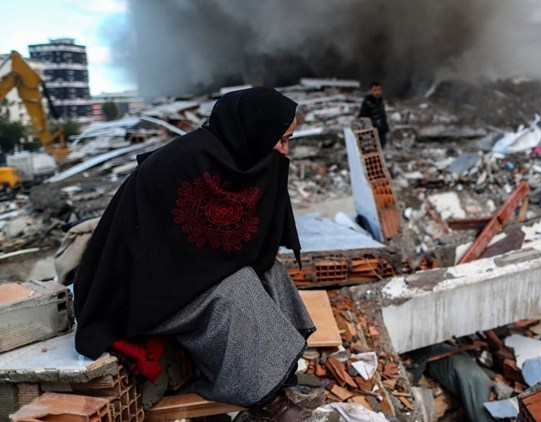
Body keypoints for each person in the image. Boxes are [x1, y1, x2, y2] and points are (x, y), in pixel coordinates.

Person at [73, 87, 315, 421]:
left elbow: (247, 243)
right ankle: (264, 399)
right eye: (282, 139)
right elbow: (178, 248)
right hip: (141, 291)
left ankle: (279, 374)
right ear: (256, 128)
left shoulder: (233, 158)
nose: (284, 151)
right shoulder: (188, 163)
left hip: (183, 270)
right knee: (236, 289)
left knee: (269, 271)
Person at [357, 81, 389, 148]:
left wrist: (385, 128)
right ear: (371, 91)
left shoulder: (381, 102)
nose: (377, 92)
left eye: (379, 90)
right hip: (371, 133)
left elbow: (383, 116)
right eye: (375, 90)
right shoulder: (367, 103)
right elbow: (362, 118)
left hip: (381, 132)